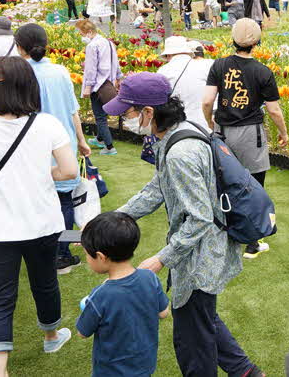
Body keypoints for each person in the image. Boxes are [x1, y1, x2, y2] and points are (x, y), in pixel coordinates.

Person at [107, 74, 263, 377]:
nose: (124, 119)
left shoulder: (179, 152)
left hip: (202, 257)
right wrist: (115, 217)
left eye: (127, 113)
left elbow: (200, 218)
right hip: (204, 248)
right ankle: (246, 372)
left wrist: (160, 259)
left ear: (148, 112)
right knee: (202, 318)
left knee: (192, 341)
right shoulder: (181, 131)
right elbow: (157, 188)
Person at [0, 56, 79, 376]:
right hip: (42, 221)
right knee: (45, 282)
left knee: (0, 296)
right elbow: (68, 171)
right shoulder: (47, 123)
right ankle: (51, 336)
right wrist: (38, 172)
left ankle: (0, 371)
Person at [202, 18, 288, 257]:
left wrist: (210, 120)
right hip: (251, 133)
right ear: (257, 42)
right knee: (254, 185)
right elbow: (273, 110)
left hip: (223, 131)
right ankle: (252, 241)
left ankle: (223, 231)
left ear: (232, 40)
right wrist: (283, 132)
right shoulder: (263, 71)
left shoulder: (219, 65)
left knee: (222, 181)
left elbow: (208, 100)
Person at [14, 23, 92, 273]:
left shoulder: (19, 73)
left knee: (36, 201)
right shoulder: (60, 72)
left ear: (19, 47)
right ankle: (62, 255)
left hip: (31, 147)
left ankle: (40, 255)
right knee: (65, 203)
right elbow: (73, 111)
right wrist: (81, 141)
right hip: (62, 146)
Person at [76, 212, 170, 376]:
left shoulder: (100, 296)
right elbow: (163, 312)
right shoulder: (150, 278)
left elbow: (82, 332)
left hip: (111, 371)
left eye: (87, 254)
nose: (87, 259)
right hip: (145, 365)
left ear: (100, 257)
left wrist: (87, 306)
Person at [77, 19, 121, 156]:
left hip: (98, 85)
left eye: (81, 33)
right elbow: (116, 62)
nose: (81, 36)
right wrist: (118, 78)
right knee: (103, 113)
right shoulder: (108, 42)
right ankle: (100, 138)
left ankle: (109, 146)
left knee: (100, 117)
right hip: (109, 82)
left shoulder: (92, 46)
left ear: (89, 32)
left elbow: (91, 68)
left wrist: (87, 87)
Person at [158, 36, 213, 129]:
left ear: (168, 55)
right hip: (205, 124)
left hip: (177, 127)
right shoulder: (207, 65)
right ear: (188, 52)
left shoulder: (163, 71)